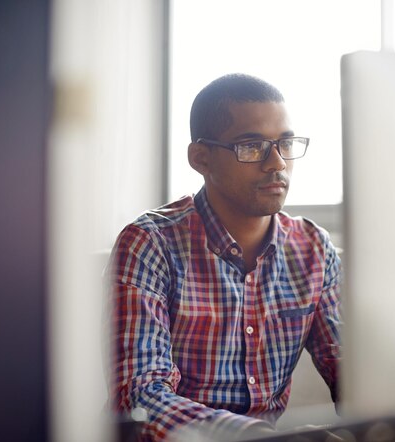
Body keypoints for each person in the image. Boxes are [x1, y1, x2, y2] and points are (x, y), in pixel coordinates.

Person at [107, 73, 341, 441]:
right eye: (251, 147)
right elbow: (139, 396)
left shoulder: (313, 248)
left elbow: (350, 372)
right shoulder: (150, 244)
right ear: (200, 158)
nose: (276, 163)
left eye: (285, 143)